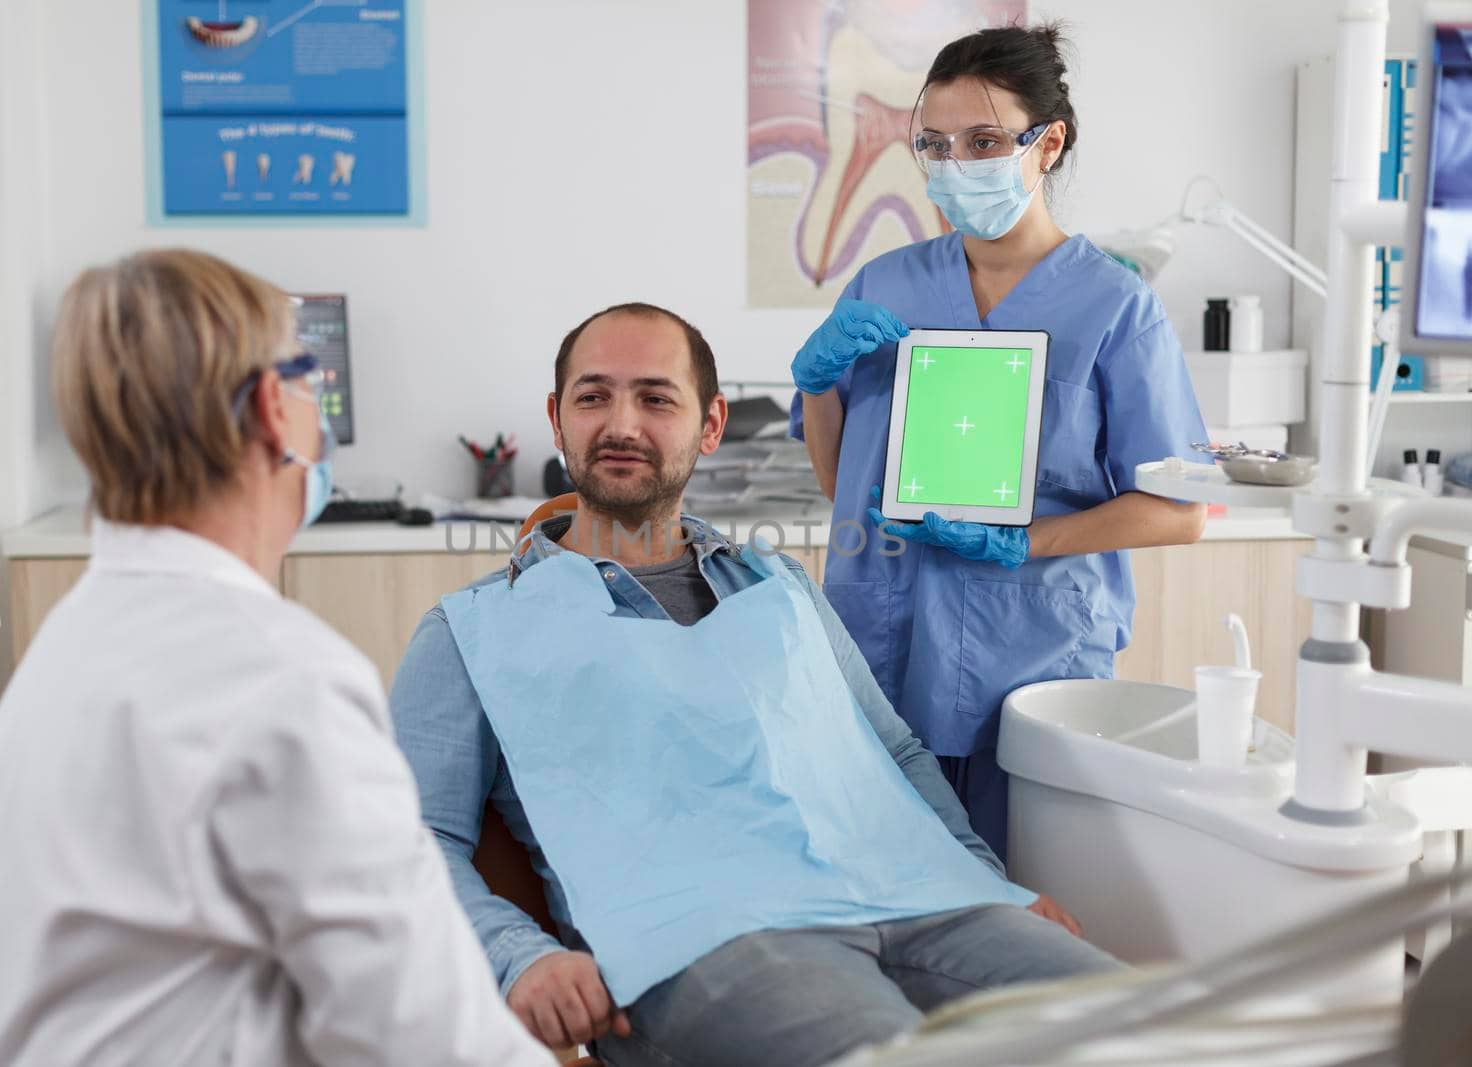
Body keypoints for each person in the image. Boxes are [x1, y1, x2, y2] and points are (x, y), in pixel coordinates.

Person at [391, 301, 1122, 1067]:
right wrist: (519, 954)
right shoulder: (473, 629)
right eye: (593, 396)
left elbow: (897, 752)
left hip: (919, 897)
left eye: (655, 397)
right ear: (557, 418)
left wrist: (983, 879)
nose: (621, 424)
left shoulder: (782, 588)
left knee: (1157, 1028)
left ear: (711, 425)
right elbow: (411, 839)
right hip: (705, 940)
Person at [0, 250, 551, 1067]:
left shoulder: (67, 645)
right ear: (274, 404)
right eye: (308, 379)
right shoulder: (278, 678)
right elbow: (429, 1034)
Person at [790, 24, 1209, 857]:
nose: (956, 165)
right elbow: (843, 481)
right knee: (894, 901)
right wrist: (816, 385)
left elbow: (1179, 511)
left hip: (1034, 656)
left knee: (1031, 900)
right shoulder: (886, 286)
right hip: (883, 647)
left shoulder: (1114, 307)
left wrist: (1025, 541)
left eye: (983, 141)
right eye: (934, 146)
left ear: (1046, 143)